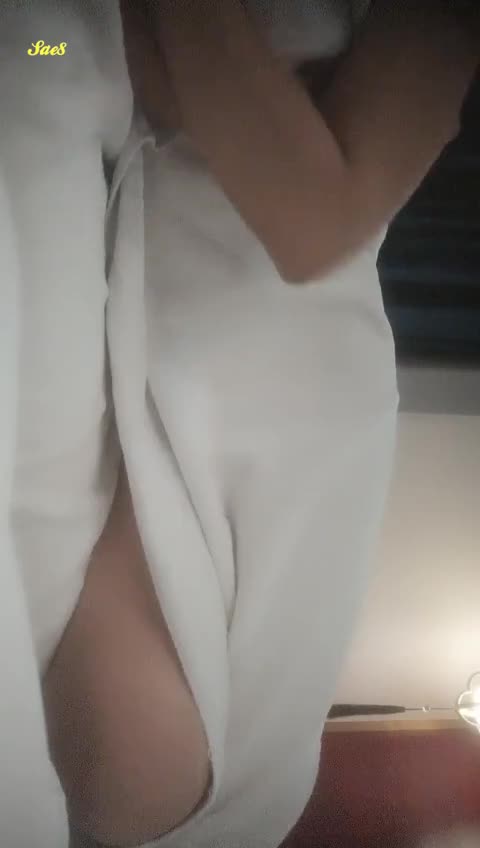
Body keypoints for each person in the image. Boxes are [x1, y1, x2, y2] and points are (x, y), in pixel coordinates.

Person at [0, 2, 477, 848]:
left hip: (266, 349)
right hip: (150, 303)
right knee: (38, 37)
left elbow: (312, 226)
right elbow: (76, 47)